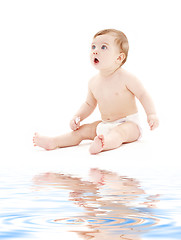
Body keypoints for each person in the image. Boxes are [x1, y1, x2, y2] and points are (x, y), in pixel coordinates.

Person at [33, 29, 159, 154]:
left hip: (129, 124)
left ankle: (104, 144)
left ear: (119, 58)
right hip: (105, 124)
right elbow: (89, 104)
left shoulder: (126, 78)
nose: (95, 51)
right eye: (93, 47)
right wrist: (78, 117)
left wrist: (151, 114)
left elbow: (142, 95)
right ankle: (54, 142)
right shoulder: (93, 82)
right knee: (82, 131)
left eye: (103, 47)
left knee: (119, 133)